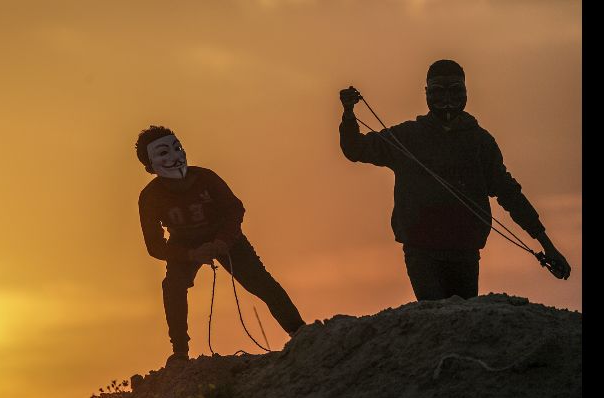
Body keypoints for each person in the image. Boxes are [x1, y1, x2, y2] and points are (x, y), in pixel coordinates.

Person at [338, 59, 571, 301]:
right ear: (427, 93)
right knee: (438, 316)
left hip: (465, 251)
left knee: (461, 318)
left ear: (465, 93)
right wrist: (348, 114)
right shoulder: (408, 136)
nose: (447, 99)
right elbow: (356, 149)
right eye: (439, 91)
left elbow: (509, 194)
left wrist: (547, 244)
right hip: (422, 250)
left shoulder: (480, 142)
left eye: (455, 91)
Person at [136, 125, 306, 365]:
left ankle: (300, 331)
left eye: (177, 148)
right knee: (173, 287)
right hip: (184, 243)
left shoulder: (205, 178)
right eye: (163, 153)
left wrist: (222, 241)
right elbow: (154, 246)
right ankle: (180, 353)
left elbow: (234, 208)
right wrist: (190, 253)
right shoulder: (150, 197)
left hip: (225, 237)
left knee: (259, 281)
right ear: (150, 167)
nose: (175, 157)